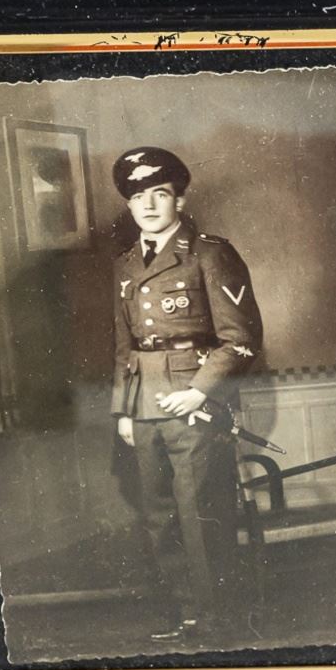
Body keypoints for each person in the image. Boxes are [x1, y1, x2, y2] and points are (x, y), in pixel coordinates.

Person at [110, 146, 263, 643]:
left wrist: (199, 393)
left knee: (202, 514)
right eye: (139, 197)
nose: (149, 205)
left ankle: (219, 619)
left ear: (180, 199)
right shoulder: (125, 265)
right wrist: (123, 411)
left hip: (195, 403)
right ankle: (186, 615)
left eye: (160, 194)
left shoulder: (210, 253)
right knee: (158, 516)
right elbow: (124, 344)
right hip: (145, 406)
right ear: (129, 204)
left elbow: (240, 338)